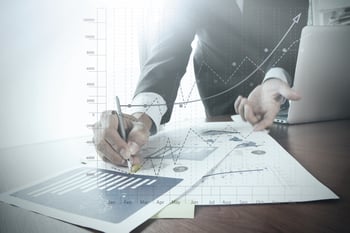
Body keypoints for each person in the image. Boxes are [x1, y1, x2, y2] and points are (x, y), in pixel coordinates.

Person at [93, 0, 309, 167]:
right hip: (221, 94)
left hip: (282, 95)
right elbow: (168, 51)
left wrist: (274, 79)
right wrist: (140, 116)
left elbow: (294, 34)